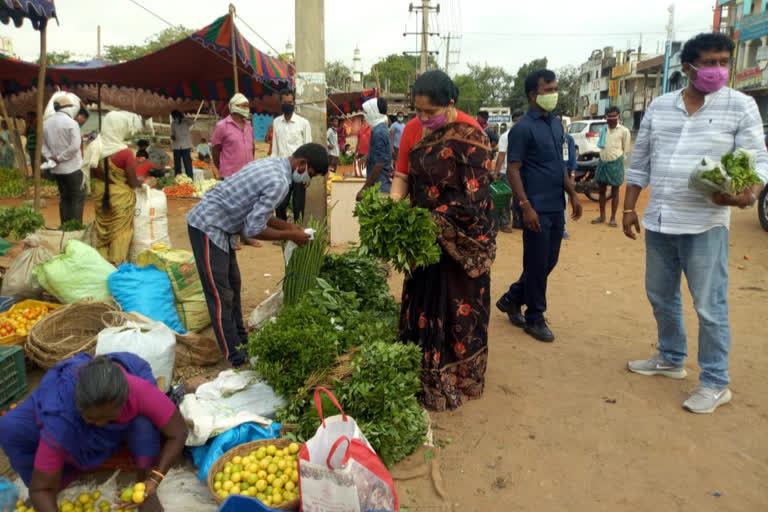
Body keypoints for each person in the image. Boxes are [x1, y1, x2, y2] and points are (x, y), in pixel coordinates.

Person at [623, 33, 768, 414]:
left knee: (709, 304)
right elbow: (640, 162)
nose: (718, 70)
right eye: (710, 63)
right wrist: (628, 208)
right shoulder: (660, 106)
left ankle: (716, 381)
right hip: (660, 220)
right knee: (660, 294)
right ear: (687, 68)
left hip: (705, 223)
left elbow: (757, 164)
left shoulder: (741, 106)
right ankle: (670, 358)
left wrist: (746, 195)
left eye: (724, 62)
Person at [389, 70, 496, 412]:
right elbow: (402, 175)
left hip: (463, 238)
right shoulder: (410, 131)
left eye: (429, 112)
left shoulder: (471, 133)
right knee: (424, 300)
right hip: (424, 237)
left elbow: (476, 192)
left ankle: (462, 376)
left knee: (461, 303)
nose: (422, 119)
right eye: (417, 111)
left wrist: (440, 219)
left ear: (450, 104)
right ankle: (424, 376)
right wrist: (394, 210)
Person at [186, 143, 329, 367]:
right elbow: (254, 229)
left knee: (233, 285)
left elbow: (260, 215)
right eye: (309, 174)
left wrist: (290, 227)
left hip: (224, 228)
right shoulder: (279, 182)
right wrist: (289, 236)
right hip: (208, 225)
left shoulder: (274, 165)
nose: (307, 181)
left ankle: (241, 341)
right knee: (220, 294)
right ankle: (234, 356)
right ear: (302, 164)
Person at [0, 353, 187, 512]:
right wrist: (44, 492)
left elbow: (178, 432)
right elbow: (40, 489)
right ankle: (63, 476)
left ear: (123, 403)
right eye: (92, 419)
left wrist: (154, 479)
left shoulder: (138, 391)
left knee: (144, 424)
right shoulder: (62, 417)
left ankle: (143, 479)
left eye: (108, 418)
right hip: (72, 404)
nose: (99, 424)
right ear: (79, 406)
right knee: (9, 428)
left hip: (123, 384)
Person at [496, 69, 583, 343]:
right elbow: (513, 170)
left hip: (556, 203)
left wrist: (573, 193)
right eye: (548, 90)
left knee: (549, 260)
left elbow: (559, 164)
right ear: (533, 94)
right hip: (535, 206)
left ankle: (512, 298)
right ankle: (535, 316)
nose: (554, 94)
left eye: (555, 88)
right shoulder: (521, 130)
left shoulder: (556, 124)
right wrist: (525, 205)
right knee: (536, 262)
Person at [83, 111, 141, 265]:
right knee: (120, 233)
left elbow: (92, 172)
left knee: (103, 233)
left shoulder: (95, 147)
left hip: (101, 195)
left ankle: (101, 265)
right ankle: (115, 264)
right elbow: (133, 182)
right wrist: (146, 183)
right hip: (120, 199)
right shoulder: (126, 153)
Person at [42, 98, 86, 225]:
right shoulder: (72, 123)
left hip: (56, 169)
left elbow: (42, 146)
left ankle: (65, 226)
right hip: (73, 168)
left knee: (64, 198)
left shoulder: (46, 123)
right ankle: (75, 228)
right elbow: (75, 146)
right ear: (68, 108)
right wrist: (60, 158)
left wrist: (52, 157)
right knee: (77, 198)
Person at [272, 89, 312, 223]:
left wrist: (307, 173)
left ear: (294, 103)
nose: (287, 104)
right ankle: (282, 233)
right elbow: (275, 150)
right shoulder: (276, 122)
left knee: (298, 204)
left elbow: (308, 148)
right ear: (280, 103)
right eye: (284, 102)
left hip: (299, 170)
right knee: (280, 203)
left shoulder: (303, 123)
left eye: (290, 102)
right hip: (282, 169)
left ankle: (297, 232)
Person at [592, 106, 631, 227]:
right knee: (601, 190)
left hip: (616, 163)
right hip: (603, 162)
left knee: (615, 191)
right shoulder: (603, 129)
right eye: (609, 116)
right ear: (606, 117)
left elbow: (626, 149)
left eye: (614, 116)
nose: (612, 119)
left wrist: (618, 160)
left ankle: (613, 218)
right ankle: (602, 216)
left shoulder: (624, 131)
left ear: (618, 116)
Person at [212, 93, 255, 179]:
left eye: (247, 106)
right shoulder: (222, 126)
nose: (247, 109)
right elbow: (215, 150)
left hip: (248, 175)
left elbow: (252, 148)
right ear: (235, 107)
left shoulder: (249, 127)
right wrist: (221, 168)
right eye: (244, 106)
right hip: (230, 175)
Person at [494, 110, 524, 232]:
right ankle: (504, 223)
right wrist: (496, 172)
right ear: (512, 121)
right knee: (506, 198)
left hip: (522, 171)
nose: (518, 123)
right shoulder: (505, 136)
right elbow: (501, 155)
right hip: (507, 171)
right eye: (516, 121)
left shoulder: (525, 135)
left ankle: (518, 222)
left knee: (520, 197)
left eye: (520, 120)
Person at [356, 98, 392, 200]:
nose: (365, 116)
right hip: (380, 186)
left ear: (373, 113)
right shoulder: (380, 128)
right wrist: (369, 156)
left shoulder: (378, 132)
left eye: (367, 112)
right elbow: (382, 152)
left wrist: (365, 188)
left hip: (380, 188)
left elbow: (379, 163)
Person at [559, 113, 577, 240]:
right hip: (549, 176)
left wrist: (572, 176)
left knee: (564, 201)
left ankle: (562, 228)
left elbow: (572, 159)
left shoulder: (568, 139)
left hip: (564, 176)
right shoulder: (546, 137)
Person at [171, 110, 194, 179]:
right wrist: (172, 137)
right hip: (176, 146)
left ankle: (190, 178)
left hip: (186, 146)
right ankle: (178, 178)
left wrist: (184, 117)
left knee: (187, 163)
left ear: (179, 115)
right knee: (177, 164)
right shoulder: (173, 123)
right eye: (174, 117)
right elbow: (172, 133)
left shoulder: (186, 122)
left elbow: (193, 122)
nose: (175, 118)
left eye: (176, 116)